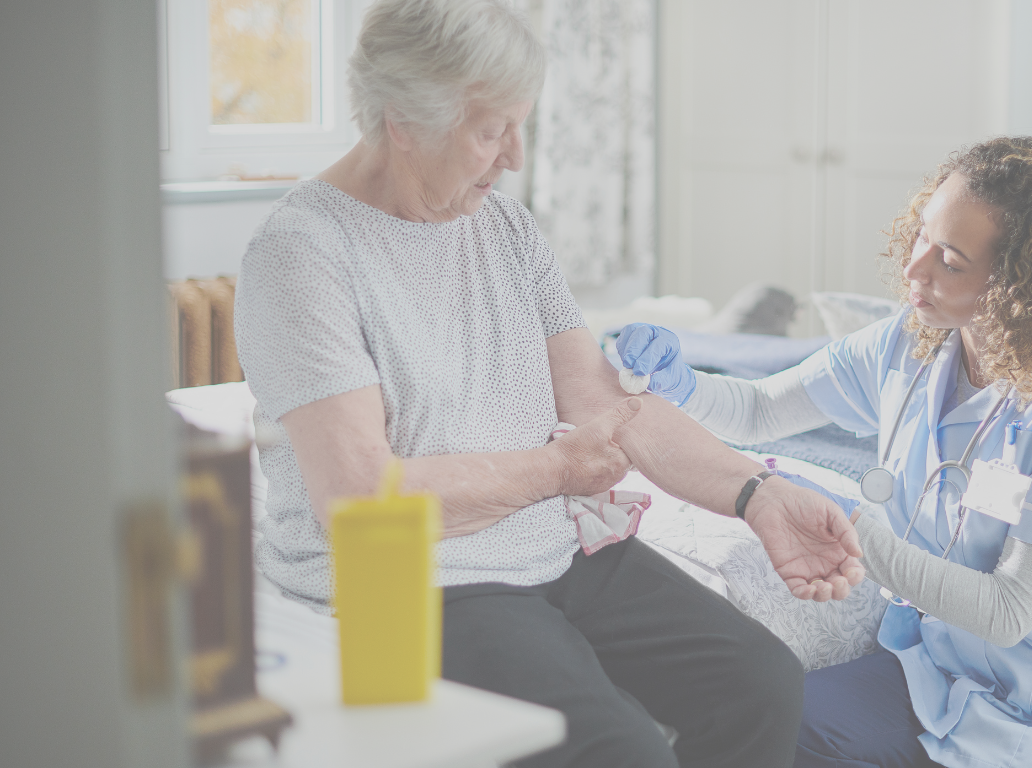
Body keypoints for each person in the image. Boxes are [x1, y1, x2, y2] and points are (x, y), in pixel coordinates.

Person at [233, 2, 866, 766]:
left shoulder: (505, 228)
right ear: (403, 120)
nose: (515, 157)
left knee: (763, 682)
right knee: (622, 751)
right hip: (415, 577)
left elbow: (609, 408)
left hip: (552, 548)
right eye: (491, 130)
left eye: (521, 126)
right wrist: (560, 471)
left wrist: (756, 494)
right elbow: (359, 497)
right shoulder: (302, 256)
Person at [618, 137, 1032, 767]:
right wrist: (679, 383)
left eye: (950, 261)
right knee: (771, 717)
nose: (914, 271)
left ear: (1022, 285)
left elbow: (1009, 612)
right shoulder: (909, 342)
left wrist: (845, 528)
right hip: (941, 676)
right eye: (921, 237)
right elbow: (761, 410)